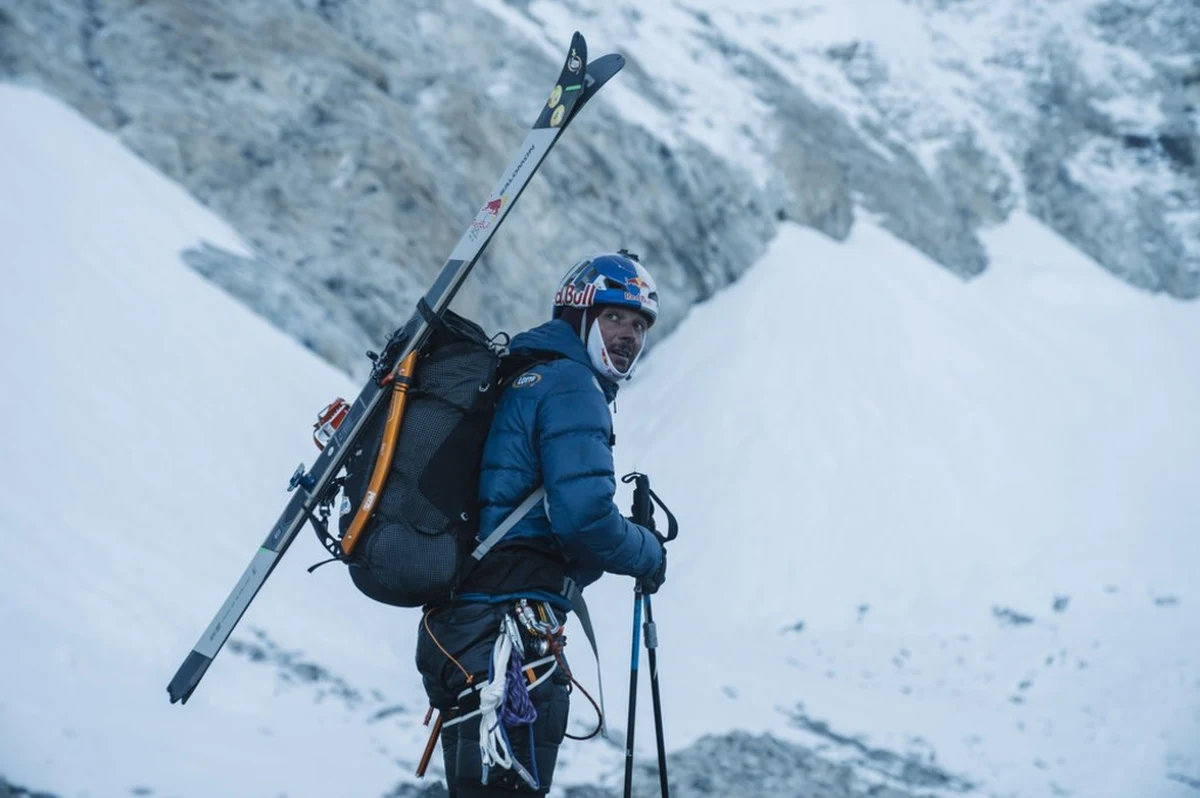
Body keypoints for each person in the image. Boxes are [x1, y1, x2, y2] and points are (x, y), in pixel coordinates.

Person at [415, 251, 669, 797]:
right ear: (579, 316)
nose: (628, 335)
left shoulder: (523, 375)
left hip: (463, 632)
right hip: (509, 641)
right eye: (614, 317)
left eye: (639, 325)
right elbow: (584, 520)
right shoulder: (572, 386)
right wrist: (648, 552)